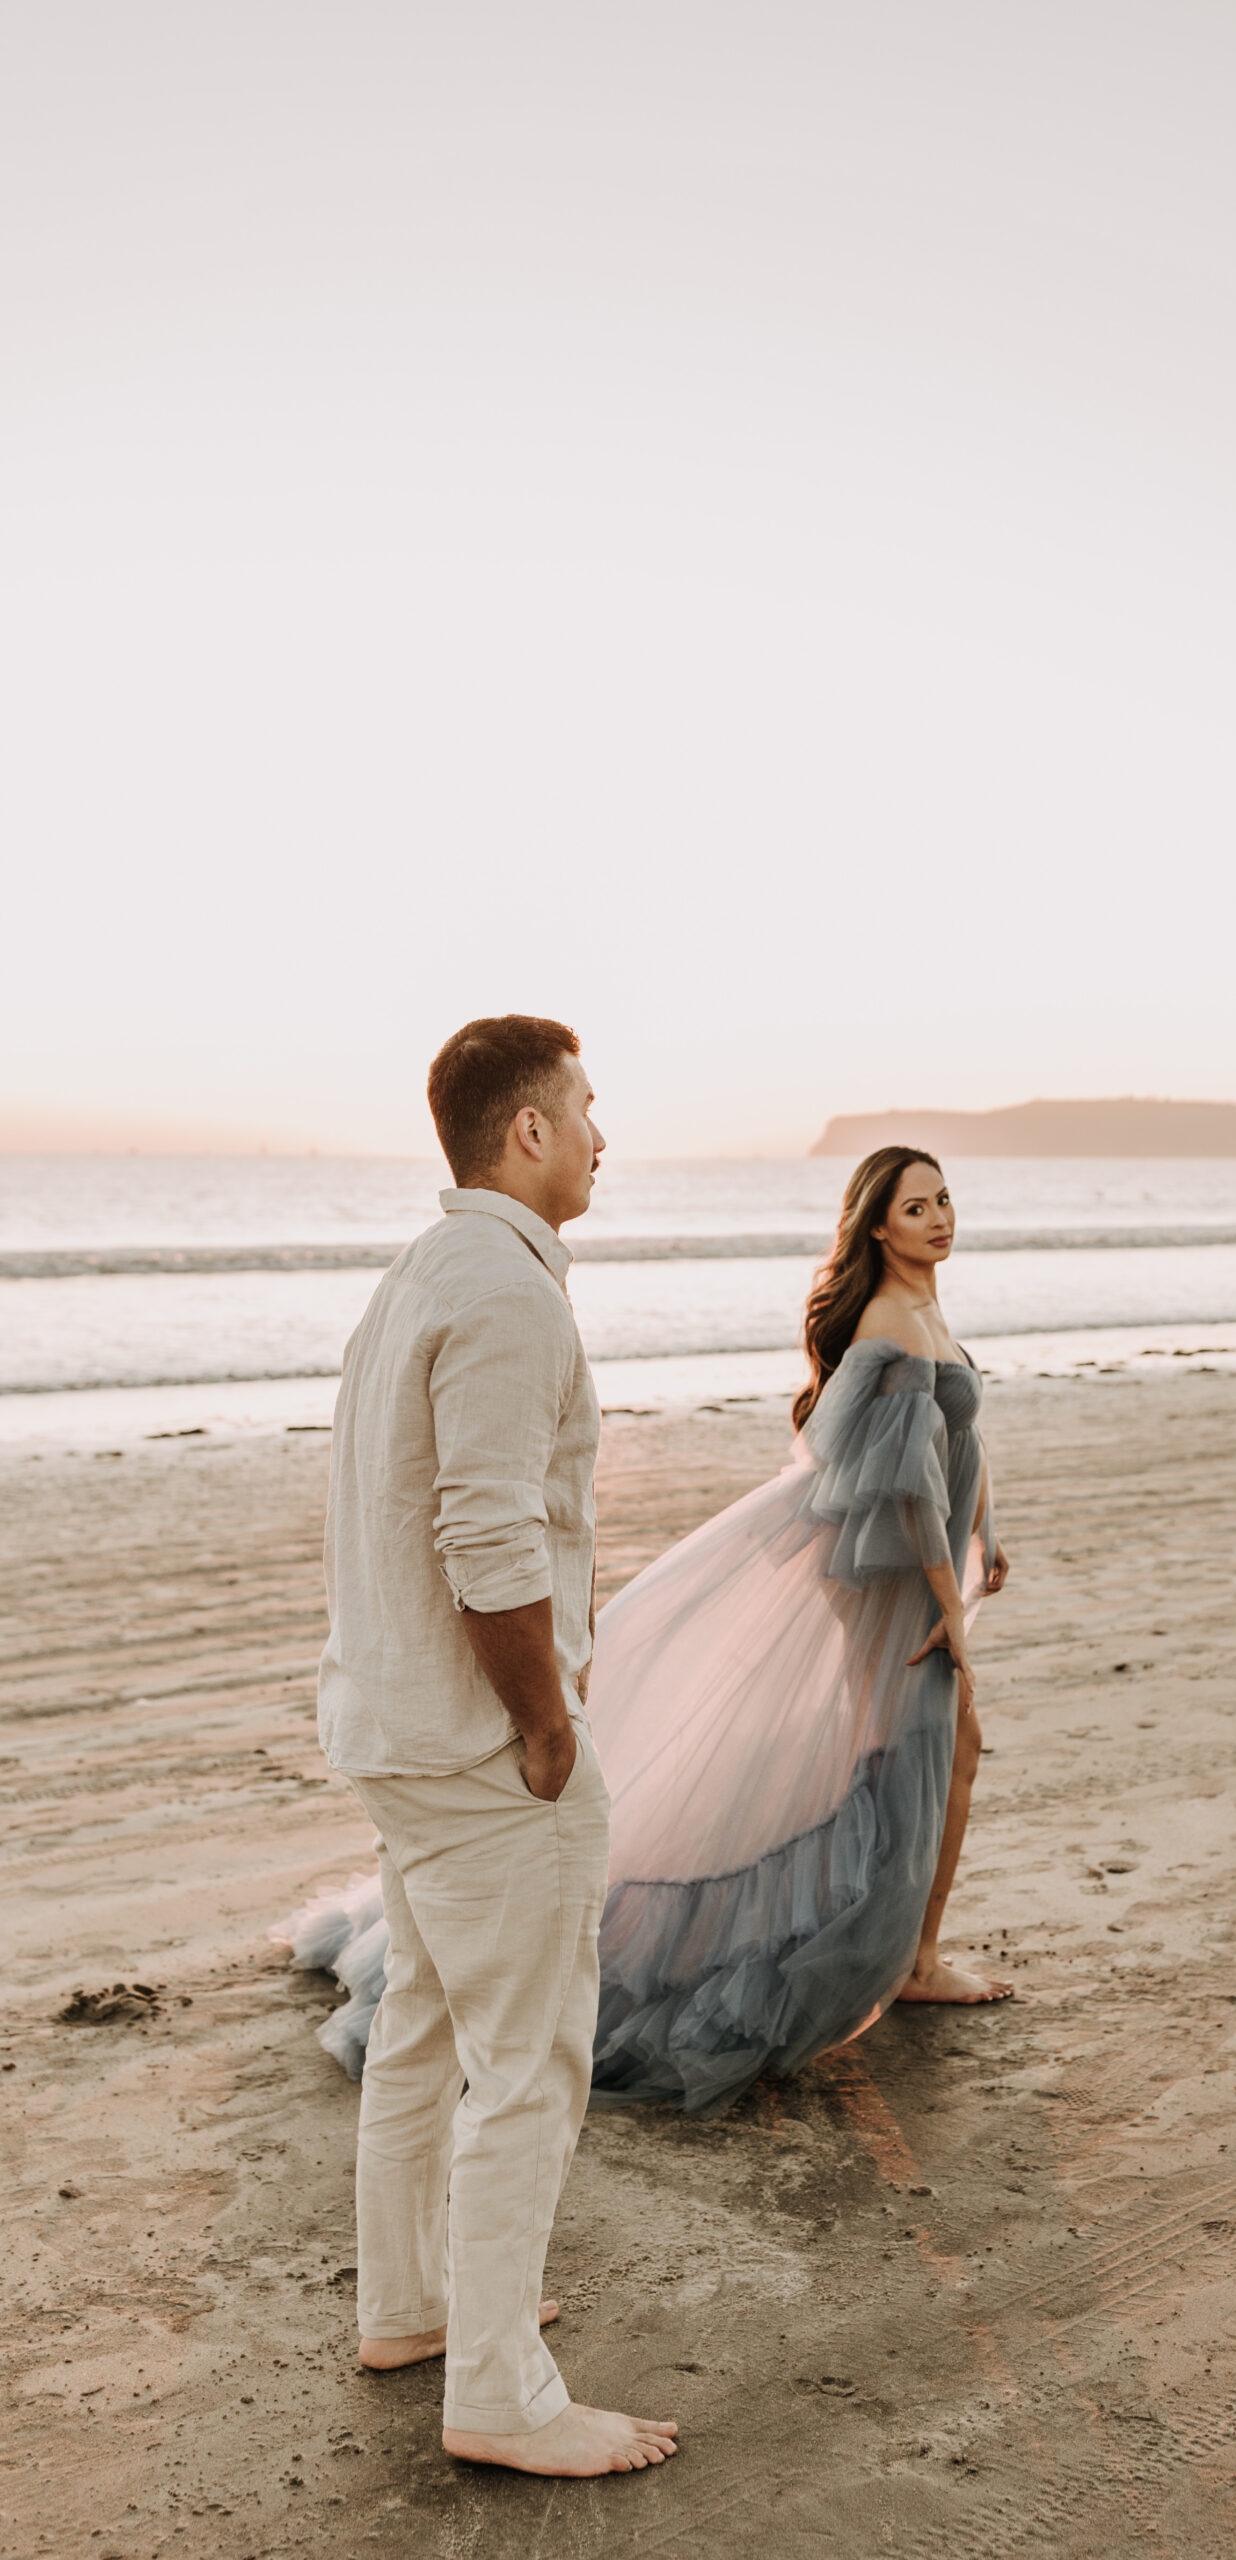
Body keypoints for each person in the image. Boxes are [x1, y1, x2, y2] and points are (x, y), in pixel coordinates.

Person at [293, 1143, 1010, 2121]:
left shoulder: (927, 1309)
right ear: (877, 1225)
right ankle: (908, 1957)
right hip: (891, 1580)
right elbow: (910, 1480)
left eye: (944, 1198)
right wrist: (949, 1603)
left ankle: (917, 1952)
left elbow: (960, 1444)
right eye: (916, 1205)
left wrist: (988, 1538)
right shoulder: (888, 1320)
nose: (939, 1216)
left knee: (947, 1749)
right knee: (919, 1752)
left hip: (926, 1568)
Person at [313, 1013, 676, 2479]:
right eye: (585, 1108)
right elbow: (485, 1532)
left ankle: (414, 2308)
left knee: (423, 2024)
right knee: (529, 2059)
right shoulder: (505, 1290)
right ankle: (502, 2398)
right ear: (524, 1131)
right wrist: (543, 1725)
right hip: (474, 1742)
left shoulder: (415, 1276)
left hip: (394, 1726)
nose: (601, 1133)